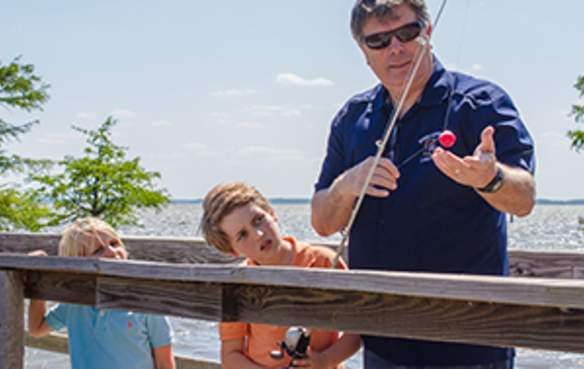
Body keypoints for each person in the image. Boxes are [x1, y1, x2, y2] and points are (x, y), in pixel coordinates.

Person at [311, 1, 535, 368]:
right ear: (363, 52)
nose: (395, 48)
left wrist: (490, 178)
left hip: (472, 342)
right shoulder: (351, 119)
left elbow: (524, 198)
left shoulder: (481, 103)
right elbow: (322, 222)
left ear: (427, 33)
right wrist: (347, 185)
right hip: (383, 343)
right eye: (378, 41)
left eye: (407, 33)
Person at [200, 182, 361, 369]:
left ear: (272, 213)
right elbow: (230, 355)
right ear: (232, 251)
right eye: (242, 235)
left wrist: (326, 360)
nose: (258, 234)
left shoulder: (322, 262)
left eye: (258, 219)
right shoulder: (237, 284)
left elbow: (356, 331)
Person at [28, 217, 176, 369]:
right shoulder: (74, 303)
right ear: (78, 263)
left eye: (114, 243)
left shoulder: (146, 301)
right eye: (99, 250)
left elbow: (165, 363)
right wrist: (40, 281)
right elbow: (36, 329)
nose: (112, 252)